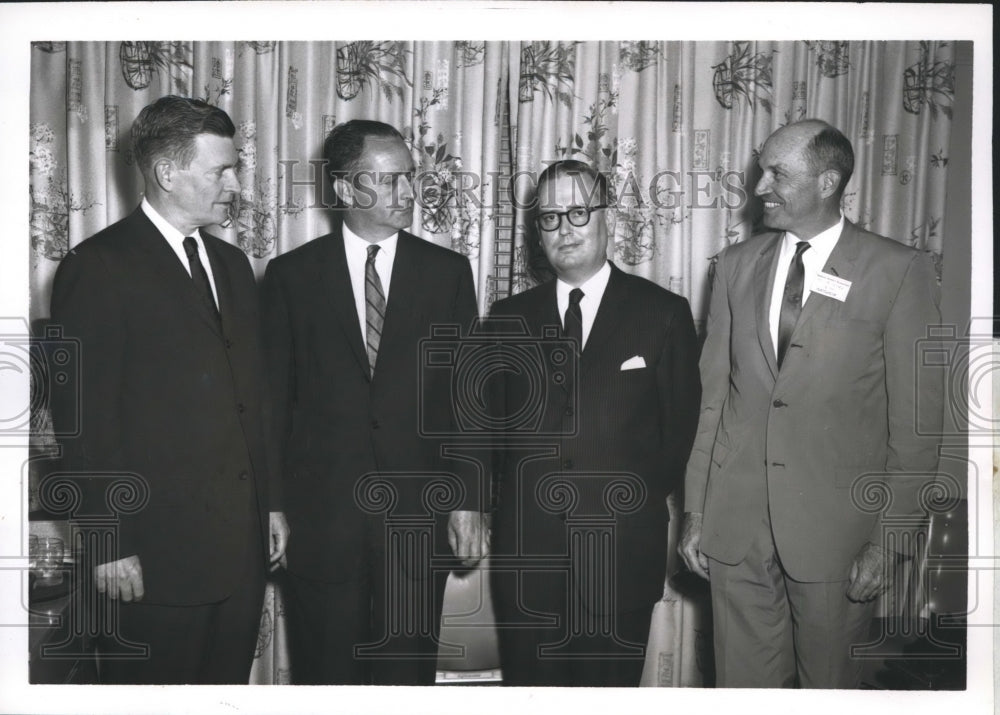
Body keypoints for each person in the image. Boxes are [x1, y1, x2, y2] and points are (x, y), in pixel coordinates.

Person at [679, 119, 943, 688]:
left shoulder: (899, 272)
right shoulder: (734, 267)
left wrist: (889, 542)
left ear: (827, 182)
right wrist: (697, 511)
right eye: (762, 170)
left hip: (839, 542)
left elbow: (918, 430)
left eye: (778, 174)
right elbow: (713, 404)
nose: (759, 187)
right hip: (737, 531)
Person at [48, 95, 288, 684]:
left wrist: (272, 502)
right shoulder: (97, 265)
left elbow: (251, 398)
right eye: (221, 169)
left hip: (239, 550)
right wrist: (108, 542)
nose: (236, 181)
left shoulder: (233, 265)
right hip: (150, 558)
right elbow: (83, 417)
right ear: (166, 172)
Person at [261, 119, 488, 685]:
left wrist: (468, 500)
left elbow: (470, 398)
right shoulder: (290, 276)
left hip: (418, 518)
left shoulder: (447, 274)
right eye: (390, 182)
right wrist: (271, 505)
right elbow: (269, 403)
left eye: (410, 178)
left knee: (405, 675)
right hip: (321, 522)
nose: (409, 193)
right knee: (325, 675)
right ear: (344, 189)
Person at [487, 160, 701, 686]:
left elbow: (682, 433)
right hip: (528, 563)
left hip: (620, 557)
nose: (564, 228)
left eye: (578, 212)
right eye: (550, 217)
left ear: (609, 218)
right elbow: (488, 435)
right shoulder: (506, 318)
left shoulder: (665, 314)